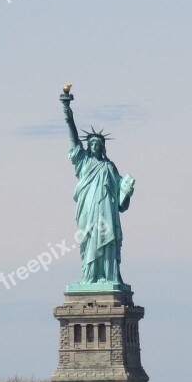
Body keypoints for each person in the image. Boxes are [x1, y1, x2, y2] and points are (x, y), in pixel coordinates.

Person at [62, 100, 135, 288]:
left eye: (97, 144)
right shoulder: (83, 162)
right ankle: (90, 275)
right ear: (88, 147)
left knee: (107, 238)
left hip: (106, 210)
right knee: (88, 239)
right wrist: (68, 115)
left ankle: (108, 276)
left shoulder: (109, 167)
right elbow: (74, 139)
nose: (94, 146)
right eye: (92, 143)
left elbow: (120, 198)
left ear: (102, 147)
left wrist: (127, 190)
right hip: (87, 208)